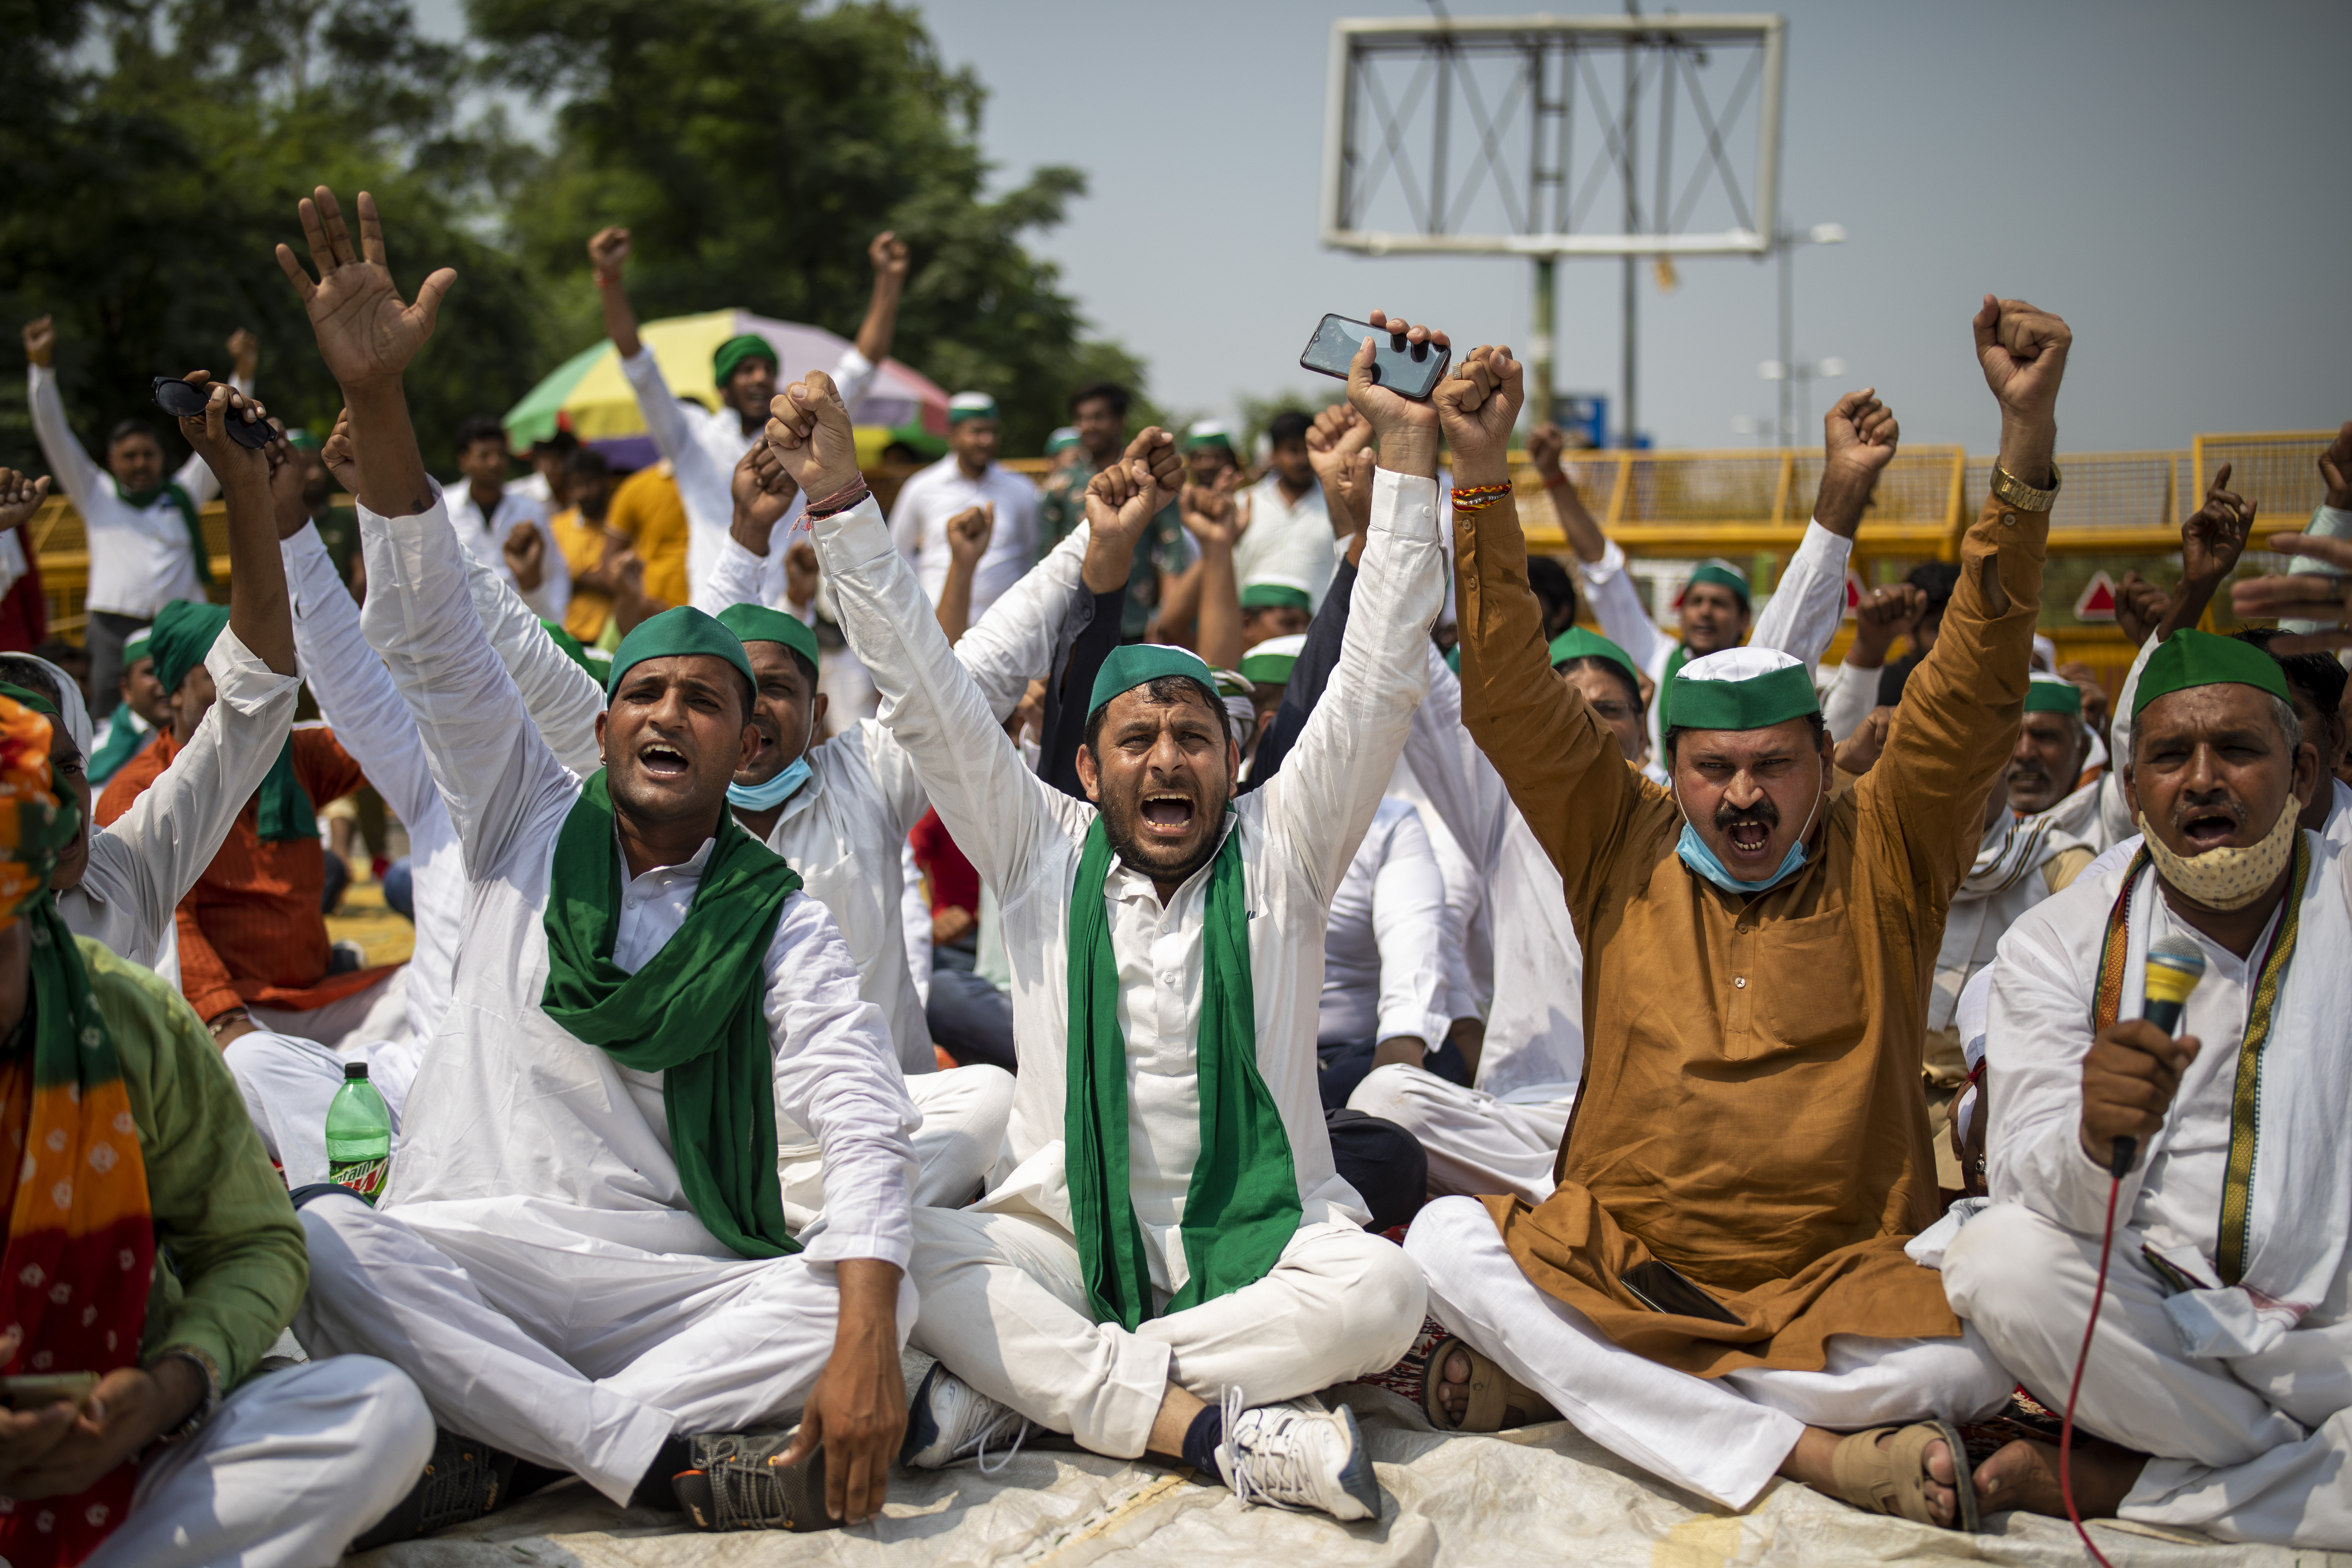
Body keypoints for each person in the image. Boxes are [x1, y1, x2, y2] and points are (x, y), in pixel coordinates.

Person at [277, 185, 920, 1533]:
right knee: (327, 1236)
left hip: (661, 1273)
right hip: (479, 1241)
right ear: (604, 719)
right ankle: (636, 1453)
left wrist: (866, 1340)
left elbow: (858, 1110)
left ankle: (506, 1448)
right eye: (643, 695)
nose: (669, 715)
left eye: (704, 700)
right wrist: (380, 406)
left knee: (859, 1297)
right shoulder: (522, 810)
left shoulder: (772, 912)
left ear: (749, 739)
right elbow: (440, 633)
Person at [1404, 296, 2071, 1535]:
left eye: (1773, 764)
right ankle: (1810, 1453)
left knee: (1983, 1338)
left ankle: (1593, 1393)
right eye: (1713, 768)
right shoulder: (1623, 836)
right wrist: (1482, 481)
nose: (1744, 795)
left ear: (1824, 757)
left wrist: (2022, 442)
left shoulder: (1889, 845)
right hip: (1627, 1259)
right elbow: (1501, 693)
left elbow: (1976, 683)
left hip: (1837, 1276)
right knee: (1443, 1240)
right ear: (1671, 766)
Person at [785, 310, 1463, 1519]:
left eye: (1192, 736)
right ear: (1086, 772)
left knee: (1384, 1295)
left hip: (1269, 1236)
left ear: (1232, 759)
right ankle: (1206, 1424)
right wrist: (842, 502)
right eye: (1136, 738)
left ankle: (1022, 1396)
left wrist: (1409, 458)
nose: (1166, 759)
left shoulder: (1288, 845)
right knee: (895, 1252)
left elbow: (1383, 667)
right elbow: (928, 692)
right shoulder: (1038, 849)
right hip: (1061, 1233)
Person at [0, 683, 434, 1567]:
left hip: (126, 1440)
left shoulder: (122, 1017)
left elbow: (253, 1242)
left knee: (377, 1411)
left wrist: (167, 1386)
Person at [1939, 628, 2352, 1547]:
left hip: (2338, 1327)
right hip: (2157, 1313)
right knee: (1997, 1259)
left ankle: (2140, 1482)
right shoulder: (2056, 940)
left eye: (2238, 750)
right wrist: (2090, 1139)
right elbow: (2020, 1175)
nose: (2201, 778)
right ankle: (2292, 1471)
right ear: (2132, 791)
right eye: (2168, 756)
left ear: (2301, 771)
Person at [0, 386, 305, 1000]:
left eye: (68, 765)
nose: (63, 799)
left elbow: (254, 703)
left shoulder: (122, 872)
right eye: (27, 774)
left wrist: (245, 484)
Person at [97, 580, 404, 1049]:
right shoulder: (139, 790)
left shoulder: (290, 754)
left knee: (438, 992)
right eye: (230, 674)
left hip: (316, 999)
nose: (255, 689)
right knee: (253, 1066)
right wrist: (224, 1019)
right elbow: (171, 928)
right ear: (176, 692)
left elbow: (383, 734)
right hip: (229, 1014)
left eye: (264, 671)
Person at [1540, 388, 1893, 771]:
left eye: (1721, 603)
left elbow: (1800, 612)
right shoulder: (1655, 659)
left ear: (1744, 620)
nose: (1706, 612)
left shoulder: (1759, 669)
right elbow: (1604, 572)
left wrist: (1847, 481)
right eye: (1697, 601)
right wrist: (1553, 477)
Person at [593, 225, 909, 599]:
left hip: (787, 612)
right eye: (746, 370)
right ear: (723, 387)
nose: (761, 377)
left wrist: (889, 280)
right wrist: (609, 278)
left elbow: (861, 368)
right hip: (716, 613)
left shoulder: (801, 430)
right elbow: (639, 367)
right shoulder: (691, 437)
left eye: (767, 369)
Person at [23, 316, 259, 702]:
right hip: (112, 629)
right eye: (128, 456)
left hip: (184, 626)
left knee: (205, 715)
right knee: (105, 714)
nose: (139, 463)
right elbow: (54, 432)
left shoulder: (184, 493)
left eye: (148, 455)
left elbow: (222, 441)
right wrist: (40, 366)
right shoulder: (95, 493)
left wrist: (244, 374)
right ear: (111, 462)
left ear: (161, 458)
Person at [1036, 382, 1195, 641]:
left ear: (1120, 421)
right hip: (1075, 620)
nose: (1089, 426)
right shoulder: (1061, 485)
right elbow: (1044, 552)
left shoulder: (1146, 478)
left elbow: (1172, 548)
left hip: (1136, 620)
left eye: (1098, 417)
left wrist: (1165, 615)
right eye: (1081, 419)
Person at [889, 393, 1042, 625]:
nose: (987, 440)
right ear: (953, 435)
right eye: (977, 432)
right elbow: (897, 553)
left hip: (1007, 627)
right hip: (936, 627)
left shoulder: (1021, 489)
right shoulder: (921, 487)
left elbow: (1033, 554)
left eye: (993, 432)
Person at [447, 413, 567, 622]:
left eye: (501, 455)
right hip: (463, 626)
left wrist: (552, 622)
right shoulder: (445, 508)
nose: (495, 463)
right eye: (484, 456)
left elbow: (555, 571)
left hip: (520, 624)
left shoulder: (530, 511)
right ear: (464, 461)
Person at [1231, 411, 1337, 614]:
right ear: (1273, 454)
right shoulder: (1245, 503)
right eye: (1292, 450)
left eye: (1308, 450)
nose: (1302, 460)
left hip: (1317, 631)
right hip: (1252, 631)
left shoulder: (1337, 506)